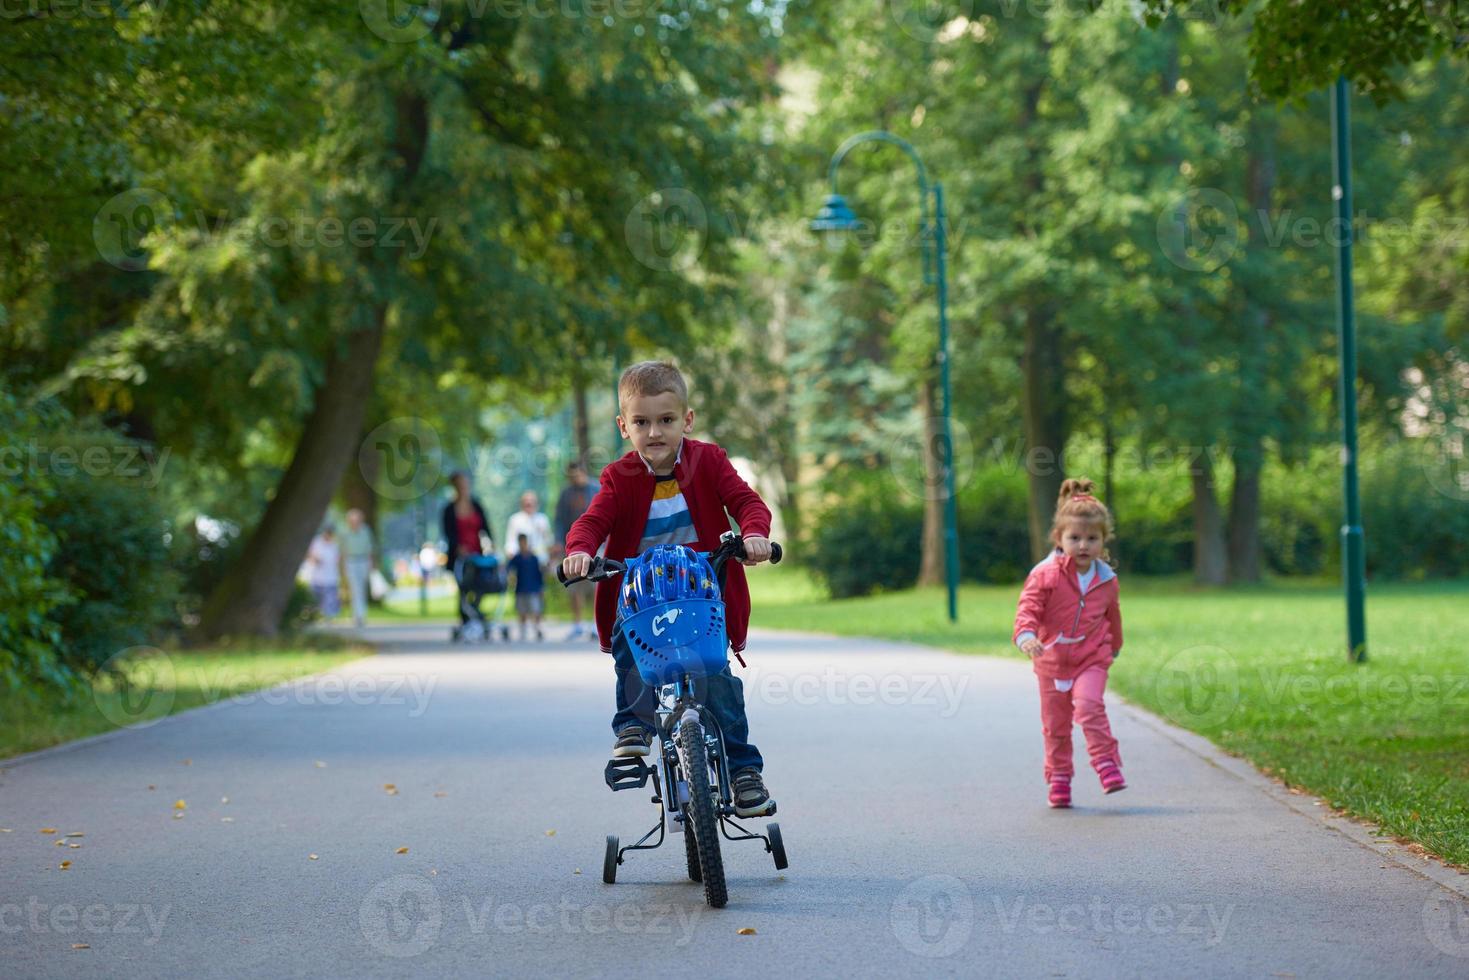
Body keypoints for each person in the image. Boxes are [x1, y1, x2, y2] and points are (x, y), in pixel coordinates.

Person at [562, 360, 778, 818]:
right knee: (631, 646)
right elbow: (592, 522)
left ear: (687, 420)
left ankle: (743, 771)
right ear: (624, 426)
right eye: (641, 422)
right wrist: (580, 550)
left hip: (701, 594)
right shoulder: (618, 479)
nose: (654, 432)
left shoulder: (709, 462)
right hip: (642, 596)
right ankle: (633, 727)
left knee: (716, 678)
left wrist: (754, 533)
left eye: (666, 420)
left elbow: (746, 502)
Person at [1013, 478, 1126, 809]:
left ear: (1104, 541)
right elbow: (1028, 608)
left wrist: (1114, 646)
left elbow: (1112, 615)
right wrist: (1027, 636)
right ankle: (1059, 778)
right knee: (1056, 727)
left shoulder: (1106, 579)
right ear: (1058, 538)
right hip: (1051, 661)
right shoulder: (1044, 574)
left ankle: (1106, 763)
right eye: (1074, 538)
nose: (1083, 545)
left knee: (1089, 706)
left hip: (1091, 657)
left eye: (1092, 539)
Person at [441, 470, 493, 626]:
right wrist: (458, 547)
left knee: (482, 583)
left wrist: (491, 543)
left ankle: (474, 611)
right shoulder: (449, 509)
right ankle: (465, 618)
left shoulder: (475, 505)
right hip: (460, 555)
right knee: (464, 586)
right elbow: (448, 532)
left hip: (477, 552)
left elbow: (485, 526)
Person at [554, 462, 596, 640]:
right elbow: (559, 520)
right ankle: (578, 625)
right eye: (571, 477)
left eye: (577, 475)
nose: (574, 479)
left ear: (584, 473)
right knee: (574, 584)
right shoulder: (566, 493)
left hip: (597, 543)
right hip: (573, 545)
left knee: (597, 584)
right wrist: (557, 541)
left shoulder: (597, 489)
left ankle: (596, 624)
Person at [507, 532, 546, 642]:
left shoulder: (533, 558)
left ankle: (537, 629)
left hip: (533, 588)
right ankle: (522, 631)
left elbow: (539, 574)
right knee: (522, 610)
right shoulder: (516, 558)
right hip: (521, 588)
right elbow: (509, 569)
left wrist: (541, 587)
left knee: (536, 610)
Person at [342, 508, 376, 628]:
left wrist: (371, 564)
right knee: (355, 589)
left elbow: (370, 549)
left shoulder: (365, 531)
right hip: (351, 561)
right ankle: (358, 616)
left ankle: (360, 615)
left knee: (361, 589)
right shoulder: (345, 532)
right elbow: (344, 551)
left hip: (363, 561)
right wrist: (344, 566)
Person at [306, 524, 342, 620]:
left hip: (331, 577)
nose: (328, 535)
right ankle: (312, 617)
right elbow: (311, 556)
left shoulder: (335, 544)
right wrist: (316, 560)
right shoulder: (316, 542)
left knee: (330, 600)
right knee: (315, 599)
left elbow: (338, 559)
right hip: (317, 577)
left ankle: (329, 618)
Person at [504, 491, 552, 561]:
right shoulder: (514, 520)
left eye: (532, 501)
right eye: (526, 501)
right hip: (520, 560)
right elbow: (511, 541)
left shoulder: (543, 520)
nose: (529, 503)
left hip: (539, 559)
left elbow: (548, 541)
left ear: (537, 503)